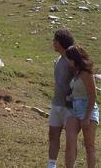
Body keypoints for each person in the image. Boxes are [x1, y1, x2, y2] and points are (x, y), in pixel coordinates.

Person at [65, 45, 99, 168]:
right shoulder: (76, 73)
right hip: (74, 109)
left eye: (68, 58)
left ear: (74, 59)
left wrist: (87, 117)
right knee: (70, 141)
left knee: (89, 145)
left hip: (87, 109)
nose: (68, 61)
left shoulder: (86, 73)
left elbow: (92, 95)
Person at [47, 29, 75, 168]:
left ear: (59, 42)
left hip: (70, 106)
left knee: (70, 139)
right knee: (53, 134)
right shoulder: (57, 60)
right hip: (56, 103)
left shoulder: (71, 60)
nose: (53, 43)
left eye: (54, 41)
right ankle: (51, 165)